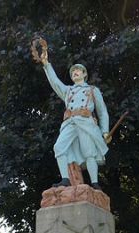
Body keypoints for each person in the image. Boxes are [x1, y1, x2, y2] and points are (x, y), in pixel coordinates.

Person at [41, 49, 110, 189]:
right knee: (59, 147)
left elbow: (102, 112)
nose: (75, 72)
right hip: (70, 123)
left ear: (84, 74)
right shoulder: (68, 91)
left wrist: (105, 131)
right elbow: (54, 82)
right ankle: (65, 180)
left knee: (89, 152)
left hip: (86, 122)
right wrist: (46, 63)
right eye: (73, 71)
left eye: (78, 70)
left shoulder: (92, 90)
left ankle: (95, 183)